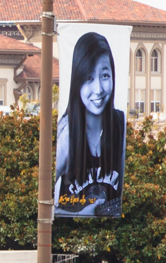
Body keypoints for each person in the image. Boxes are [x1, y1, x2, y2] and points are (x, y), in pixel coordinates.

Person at [54, 30, 126, 217]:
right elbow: (42, 202)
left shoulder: (120, 125)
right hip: (72, 239)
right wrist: (79, 215)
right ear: (77, 81)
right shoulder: (67, 134)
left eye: (104, 76)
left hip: (113, 239)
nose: (98, 90)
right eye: (89, 78)